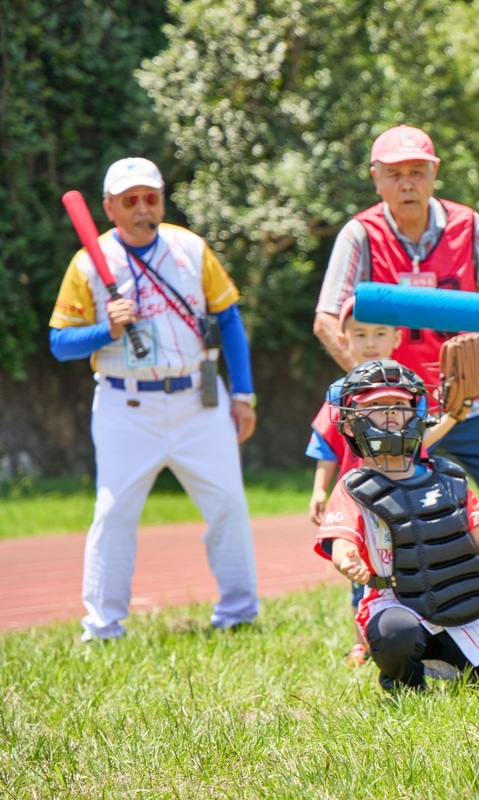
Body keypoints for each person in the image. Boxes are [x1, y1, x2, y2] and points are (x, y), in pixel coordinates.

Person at [313, 124, 479, 638]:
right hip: (392, 411)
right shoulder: (360, 234)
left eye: (416, 172)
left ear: (433, 174)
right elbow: (327, 317)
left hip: (473, 402)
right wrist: (368, 383)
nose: (406, 183)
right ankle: (372, 632)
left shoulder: (469, 227)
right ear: (376, 179)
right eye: (394, 174)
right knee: (375, 510)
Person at [49, 157, 260, 641]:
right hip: (127, 407)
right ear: (109, 208)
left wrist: (243, 393)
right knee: (114, 512)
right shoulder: (88, 262)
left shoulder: (190, 248)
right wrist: (108, 329)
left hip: (197, 398)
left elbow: (227, 319)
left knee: (228, 503)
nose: (144, 208)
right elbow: (60, 344)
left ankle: (240, 614)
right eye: (131, 200)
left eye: (152, 197)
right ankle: (102, 627)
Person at [315, 359, 479, 692]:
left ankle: (453, 663)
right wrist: (346, 559)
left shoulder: (448, 477)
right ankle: (404, 680)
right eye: (376, 406)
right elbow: (342, 542)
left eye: (399, 404)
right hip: (394, 603)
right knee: (397, 633)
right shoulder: (354, 486)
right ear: (351, 423)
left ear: (416, 413)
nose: (391, 412)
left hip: (457, 600)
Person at [306, 297, 470, 666]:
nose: (370, 342)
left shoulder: (408, 387)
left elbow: (419, 441)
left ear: (396, 338)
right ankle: (363, 642)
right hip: (360, 497)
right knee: (361, 572)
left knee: (409, 563)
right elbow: (327, 444)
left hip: (404, 495)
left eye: (380, 333)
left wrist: (455, 416)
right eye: (359, 334)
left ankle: (422, 634)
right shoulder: (340, 391)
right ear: (343, 339)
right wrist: (320, 487)